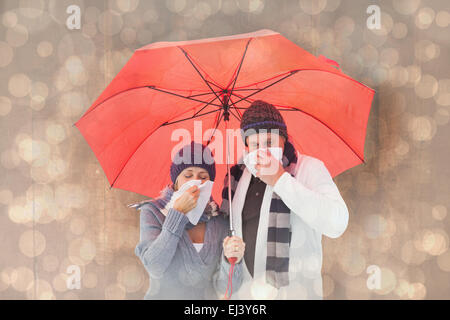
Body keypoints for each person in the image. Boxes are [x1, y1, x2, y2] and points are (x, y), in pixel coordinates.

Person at [220, 100, 349, 299]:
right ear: (246, 146)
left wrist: (280, 180)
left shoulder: (309, 169)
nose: (262, 150)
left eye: (270, 142)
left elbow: (337, 223)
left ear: (284, 139)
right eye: (255, 144)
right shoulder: (235, 179)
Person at [131, 142, 245, 299]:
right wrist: (178, 213)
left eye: (203, 177)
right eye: (188, 175)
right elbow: (155, 266)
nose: (195, 182)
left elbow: (227, 288)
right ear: (176, 180)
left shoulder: (220, 221)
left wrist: (232, 260)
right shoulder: (153, 211)